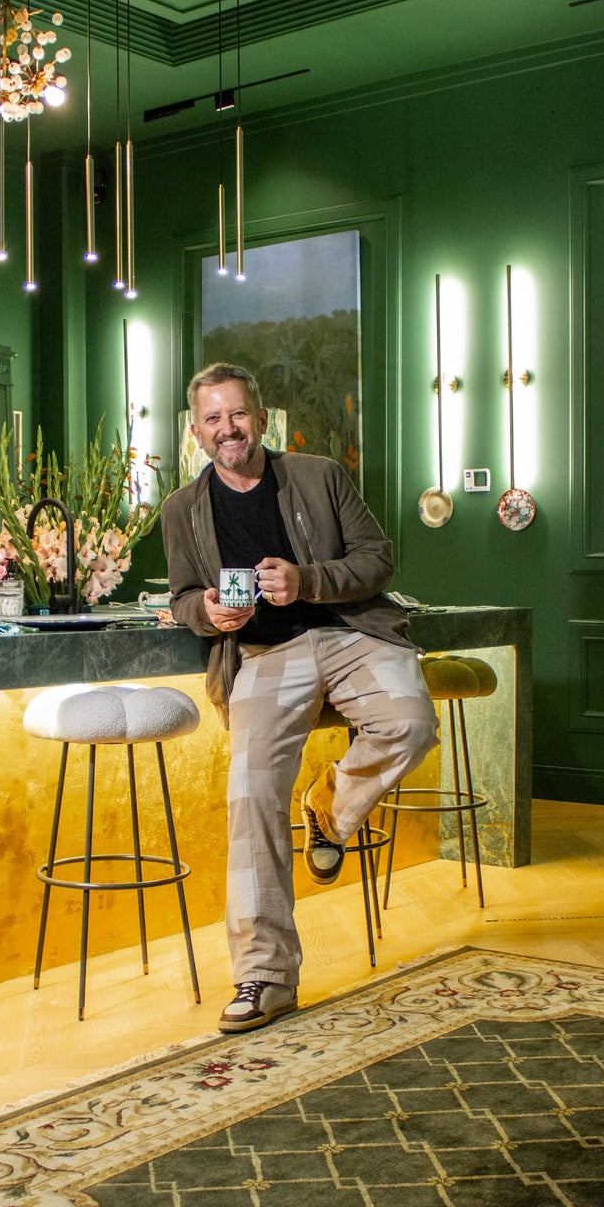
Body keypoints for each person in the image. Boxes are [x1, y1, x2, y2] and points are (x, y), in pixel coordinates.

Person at [161, 362, 438, 1035]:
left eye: (238, 413)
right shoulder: (181, 509)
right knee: (252, 793)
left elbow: (377, 559)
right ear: (196, 432)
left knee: (409, 723)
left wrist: (305, 580)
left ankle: (328, 807)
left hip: (351, 635)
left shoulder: (319, 475)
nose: (228, 428)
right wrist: (206, 612)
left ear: (261, 418)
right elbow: (183, 596)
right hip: (262, 654)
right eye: (213, 418)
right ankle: (265, 976)